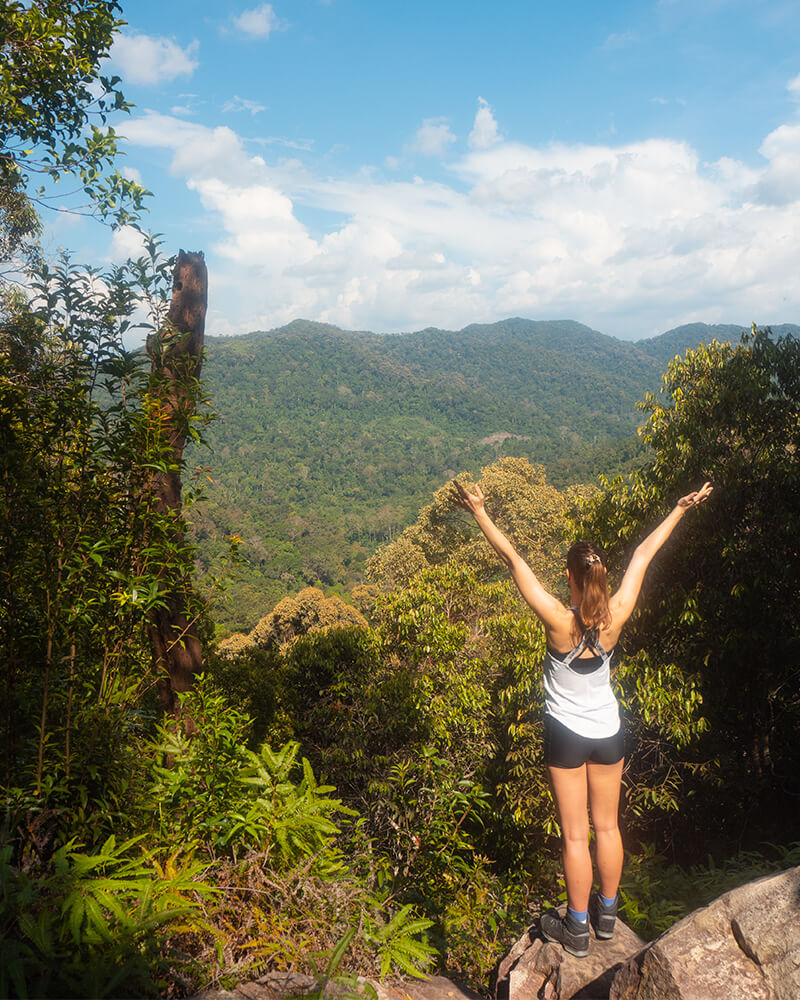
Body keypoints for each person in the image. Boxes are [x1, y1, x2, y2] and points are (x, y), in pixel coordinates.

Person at [452, 479, 713, 957]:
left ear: (569, 578)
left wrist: (479, 512)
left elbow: (513, 559)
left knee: (576, 834)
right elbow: (643, 557)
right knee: (608, 827)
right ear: (600, 578)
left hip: (567, 735)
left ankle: (575, 929)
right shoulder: (616, 614)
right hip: (609, 732)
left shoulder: (556, 618)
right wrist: (679, 509)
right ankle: (607, 917)